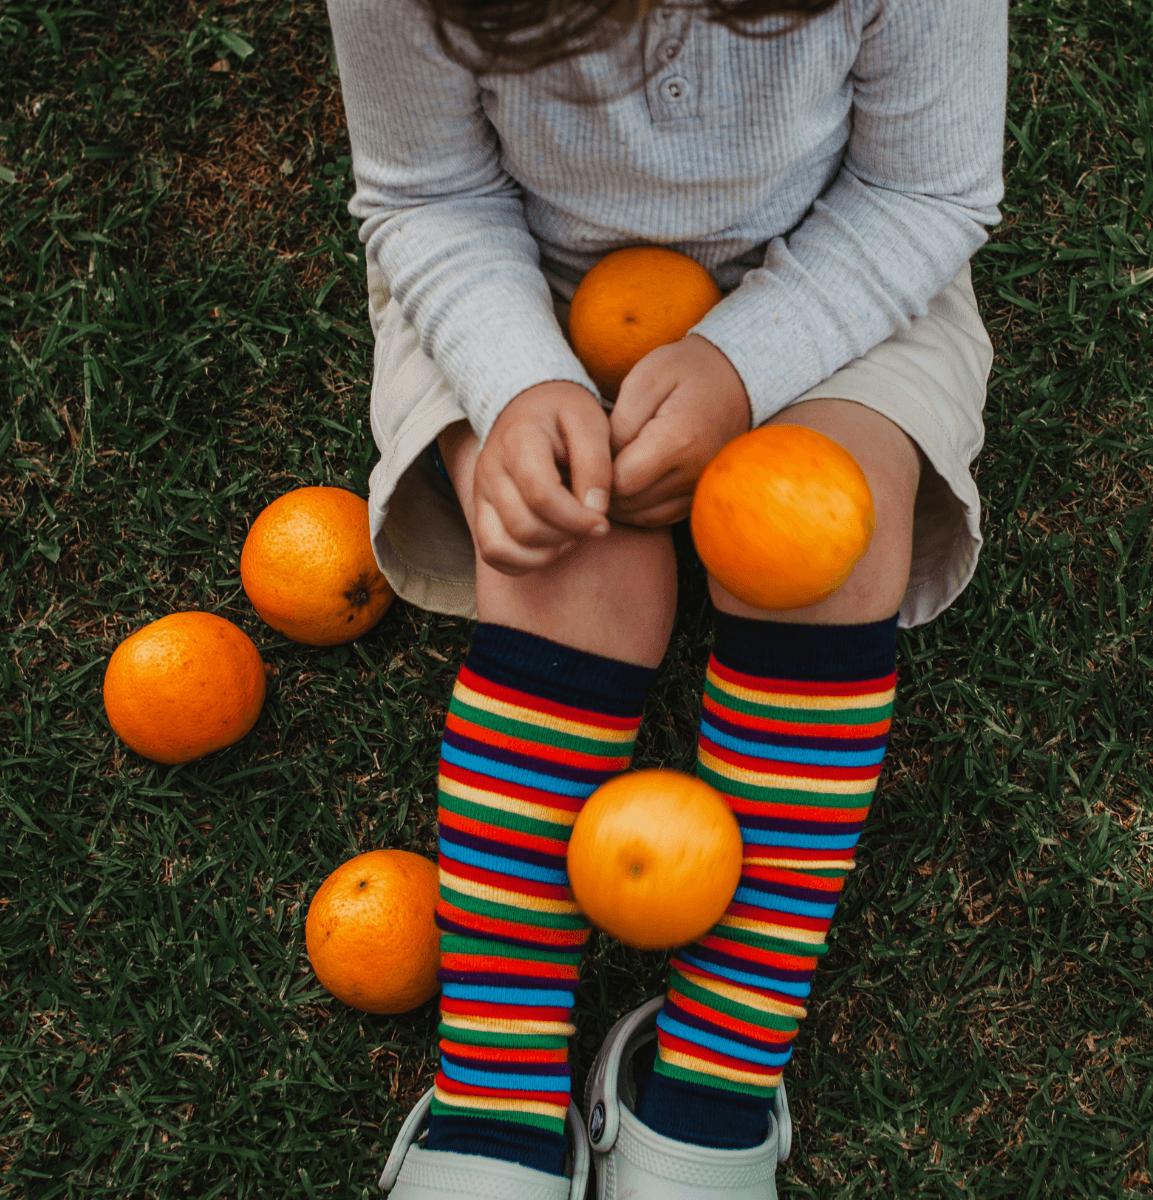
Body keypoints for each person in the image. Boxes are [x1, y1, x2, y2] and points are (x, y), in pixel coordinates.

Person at [326, 0, 1005, 1194]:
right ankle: (497, 1085)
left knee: (820, 540)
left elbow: (925, 195)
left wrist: (747, 363)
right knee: (563, 563)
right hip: (522, 290)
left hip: (840, 276)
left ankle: (719, 1068)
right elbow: (425, 197)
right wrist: (519, 380)